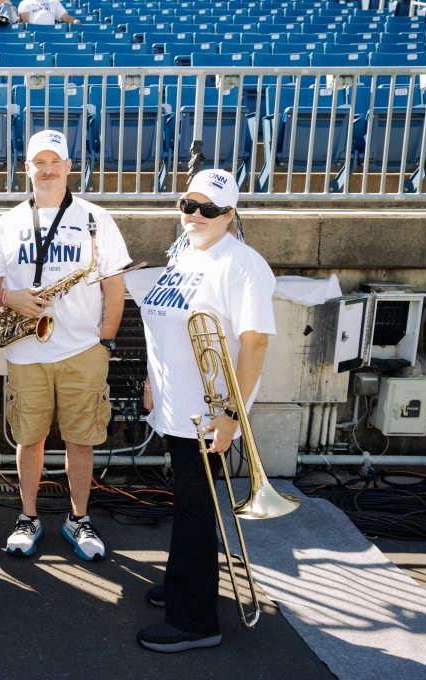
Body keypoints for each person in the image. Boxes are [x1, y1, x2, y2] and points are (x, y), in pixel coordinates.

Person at [136, 169, 275, 653]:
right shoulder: (182, 253)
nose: (194, 215)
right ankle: (183, 583)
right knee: (187, 505)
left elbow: (254, 343)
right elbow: (164, 323)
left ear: (230, 215)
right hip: (177, 408)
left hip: (209, 415)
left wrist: (233, 416)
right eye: (187, 204)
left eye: (209, 209)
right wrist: (153, 381)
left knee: (197, 511)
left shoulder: (242, 264)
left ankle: (196, 620)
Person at [0, 130, 131, 561]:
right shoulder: (8, 222)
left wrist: (104, 343)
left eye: (55, 162)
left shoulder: (95, 218)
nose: (46, 170)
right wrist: (11, 298)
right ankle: (28, 516)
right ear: (25, 168)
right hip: (27, 350)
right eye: (38, 162)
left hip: (82, 350)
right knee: (28, 441)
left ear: (69, 167)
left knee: (81, 441)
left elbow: (115, 287)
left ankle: (79, 518)